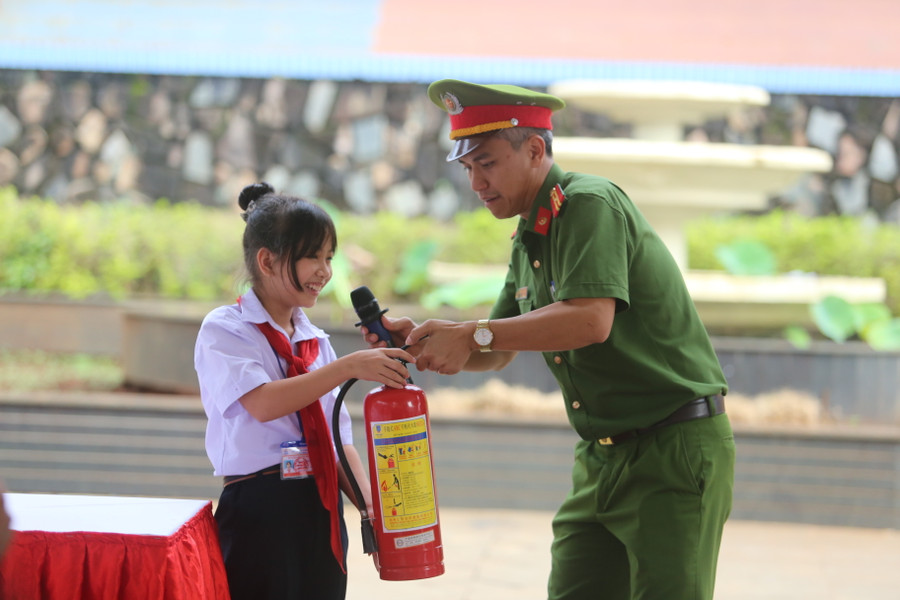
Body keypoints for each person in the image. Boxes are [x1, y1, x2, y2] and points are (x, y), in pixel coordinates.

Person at [363, 80, 736, 600]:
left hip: (670, 450)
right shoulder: (530, 235)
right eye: (468, 168)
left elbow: (589, 321)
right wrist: (425, 342)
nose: (476, 183)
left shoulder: (588, 204)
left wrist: (470, 335)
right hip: (601, 459)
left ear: (535, 149)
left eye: (487, 163)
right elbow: (498, 351)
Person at [195, 182, 415, 600]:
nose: (325, 271)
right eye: (312, 256)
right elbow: (262, 401)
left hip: (321, 508)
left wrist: (375, 513)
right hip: (260, 507)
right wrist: (348, 366)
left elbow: (338, 441)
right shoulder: (225, 329)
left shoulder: (316, 342)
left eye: (329, 257)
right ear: (267, 260)